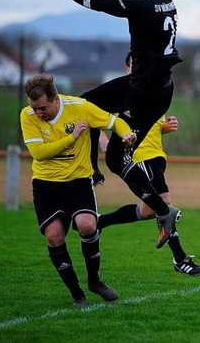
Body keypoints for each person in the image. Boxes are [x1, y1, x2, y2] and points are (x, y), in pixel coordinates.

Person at [45, 0, 182, 249]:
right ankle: (160, 210)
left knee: (101, 130)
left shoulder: (143, 4)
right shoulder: (164, 2)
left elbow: (100, 4)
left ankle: (156, 208)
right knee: (101, 127)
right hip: (158, 91)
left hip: (142, 91)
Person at [20, 73, 137, 308]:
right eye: (34, 108)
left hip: (78, 181)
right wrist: (72, 138)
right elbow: (39, 153)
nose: (38, 113)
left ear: (55, 99)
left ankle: (94, 281)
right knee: (54, 237)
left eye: (42, 108)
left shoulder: (80, 107)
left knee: (88, 225)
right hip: (45, 184)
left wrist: (126, 134)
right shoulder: (28, 115)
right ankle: (76, 293)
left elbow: (114, 122)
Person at [96, 53, 200, 276]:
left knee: (149, 210)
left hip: (157, 156)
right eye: (135, 66)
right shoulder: (121, 91)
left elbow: (151, 126)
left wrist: (165, 127)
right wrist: (106, 144)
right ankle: (180, 259)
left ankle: (100, 223)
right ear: (127, 69)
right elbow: (93, 117)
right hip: (140, 157)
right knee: (164, 206)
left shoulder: (150, 91)